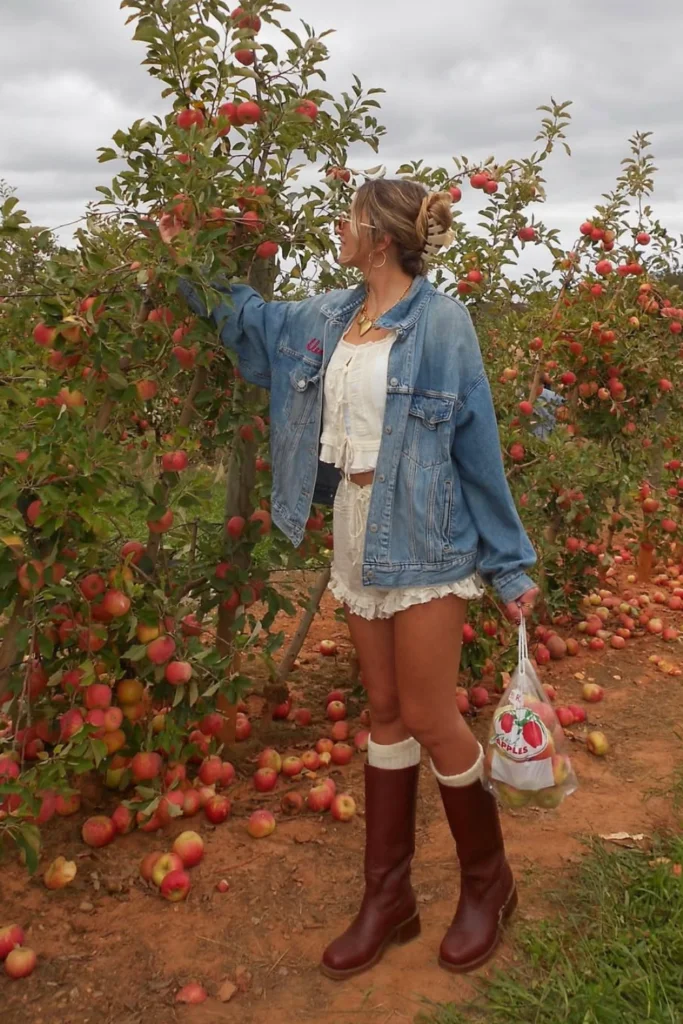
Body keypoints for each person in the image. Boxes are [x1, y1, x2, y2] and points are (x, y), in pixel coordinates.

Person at [169, 179, 538, 978]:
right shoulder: (332, 316)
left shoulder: (441, 323)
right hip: (354, 531)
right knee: (381, 713)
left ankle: (488, 884)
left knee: (433, 716)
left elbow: (476, 440)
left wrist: (508, 563)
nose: (337, 228)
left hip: (427, 535)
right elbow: (251, 320)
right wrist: (184, 258)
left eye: (349, 219)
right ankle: (389, 897)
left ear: (379, 235)